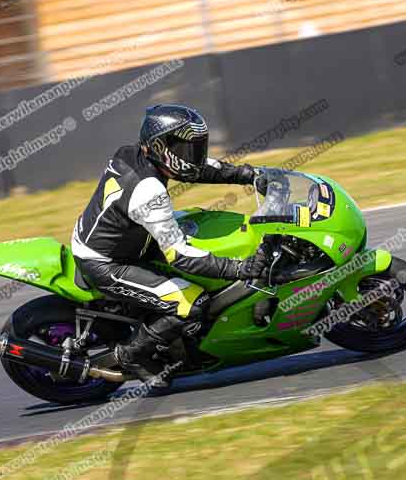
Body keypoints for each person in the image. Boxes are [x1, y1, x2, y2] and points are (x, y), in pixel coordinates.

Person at [71, 104, 270, 385]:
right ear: (159, 146)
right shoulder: (148, 190)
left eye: (196, 148)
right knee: (190, 303)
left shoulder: (133, 153)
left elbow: (197, 169)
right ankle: (132, 354)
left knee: (200, 226)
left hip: (127, 238)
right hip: (107, 262)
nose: (193, 156)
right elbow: (179, 255)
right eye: (186, 149)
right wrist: (241, 268)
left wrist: (247, 175)